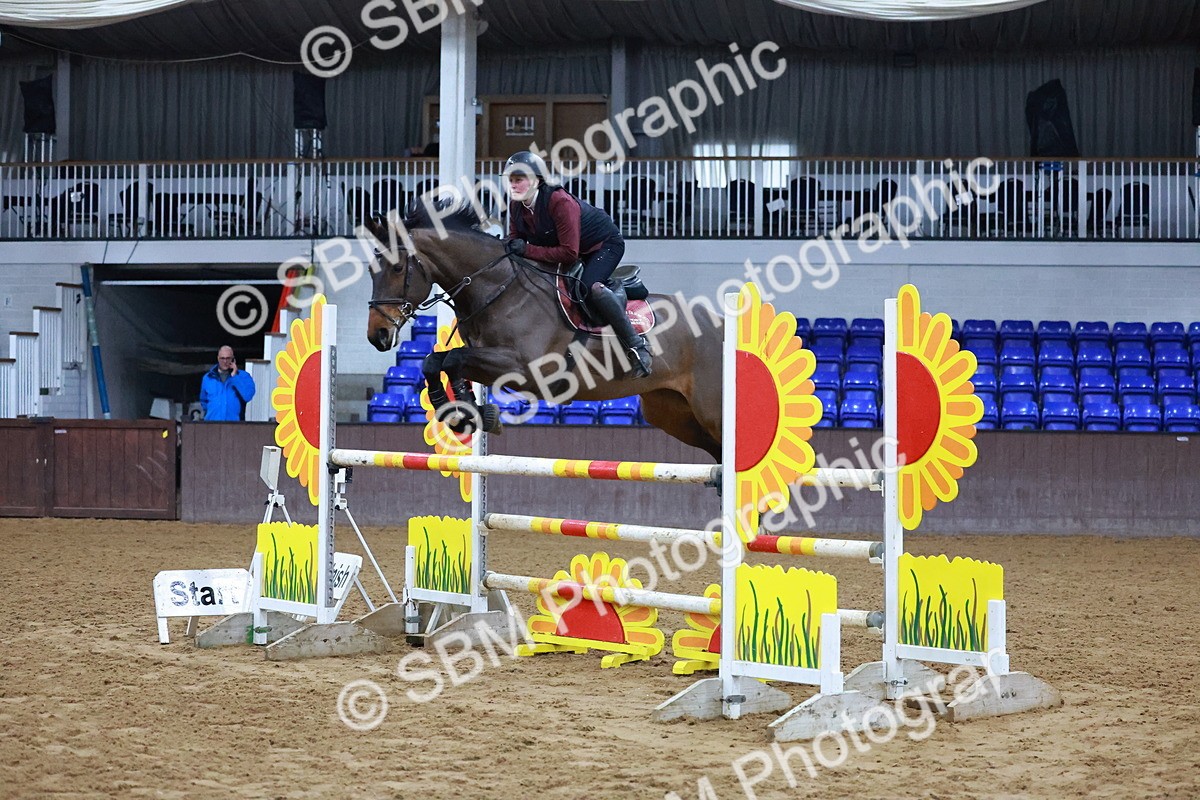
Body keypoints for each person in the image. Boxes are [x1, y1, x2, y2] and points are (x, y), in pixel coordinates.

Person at [502, 150, 652, 377]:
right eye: (511, 179)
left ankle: (637, 346)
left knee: (590, 287)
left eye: (519, 179)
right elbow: (516, 243)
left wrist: (527, 249)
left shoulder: (559, 201)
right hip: (573, 248)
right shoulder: (517, 207)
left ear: (536, 180)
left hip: (604, 244)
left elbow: (569, 253)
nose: (513, 185)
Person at [200, 345, 256, 421]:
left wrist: (234, 376)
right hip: (212, 423)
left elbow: (247, 396)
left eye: (228, 358)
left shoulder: (244, 376)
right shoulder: (208, 377)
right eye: (222, 358)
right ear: (218, 358)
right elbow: (203, 401)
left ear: (233, 359)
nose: (225, 361)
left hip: (234, 424)